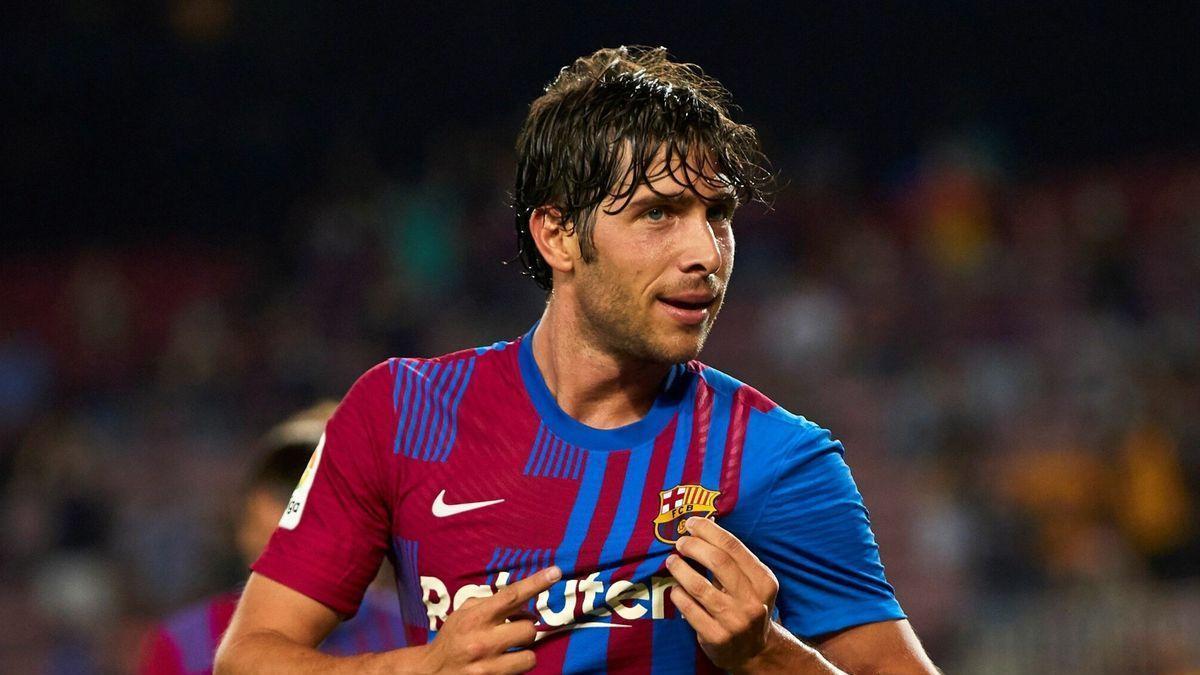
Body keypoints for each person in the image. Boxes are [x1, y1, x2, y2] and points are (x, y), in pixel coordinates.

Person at [216, 46, 939, 674]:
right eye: (659, 212)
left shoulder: (778, 459)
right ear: (557, 235)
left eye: (717, 215)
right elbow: (250, 656)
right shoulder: (401, 413)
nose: (705, 254)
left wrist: (769, 656)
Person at [139, 403, 406, 674]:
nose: (296, 503)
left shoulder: (412, 634)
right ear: (244, 525)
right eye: (283, 487)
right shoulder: (185, 644)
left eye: (321, 484)